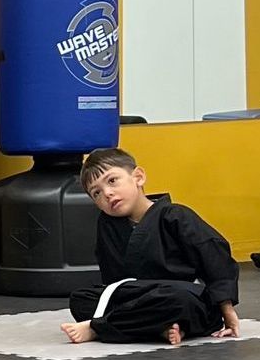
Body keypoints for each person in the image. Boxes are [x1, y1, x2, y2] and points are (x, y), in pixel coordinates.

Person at [62, 147, 243, 345]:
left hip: (174, 295)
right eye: (96, 193)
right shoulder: (107, 225)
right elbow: (114, 283)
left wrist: (227, 309)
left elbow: (214, 259)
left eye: (112, 181)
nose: (107, 193)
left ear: (138, 177)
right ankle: (159, 329)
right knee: (81, 299)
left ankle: (98, 328)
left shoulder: (175, 216)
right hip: (136, 298)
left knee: (183, 301)